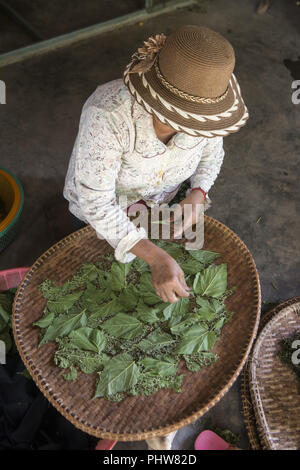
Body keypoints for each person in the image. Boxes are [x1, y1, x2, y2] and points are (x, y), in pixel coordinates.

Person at [63, 24, 248, 305]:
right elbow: (97, 204)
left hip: (158, 203)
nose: (197, 131)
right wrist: (156, 258)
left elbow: (212, 154)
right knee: (95, 269)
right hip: (103, 210)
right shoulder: (108, 115)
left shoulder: (207, 120)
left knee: (137, 270)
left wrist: (199, 193)